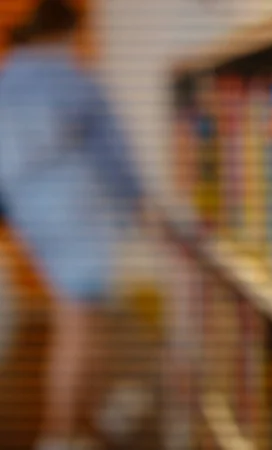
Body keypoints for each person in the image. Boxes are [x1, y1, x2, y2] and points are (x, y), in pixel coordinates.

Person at [0, 1, 195, 449]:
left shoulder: (7, 80)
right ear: (66, 32)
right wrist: (144, 210)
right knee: (79, 325)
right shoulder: (74, 82)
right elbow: (115, 159)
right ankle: (60, 433)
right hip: (79, 215)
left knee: (82, 321)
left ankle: (85, 419)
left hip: (32, 217)